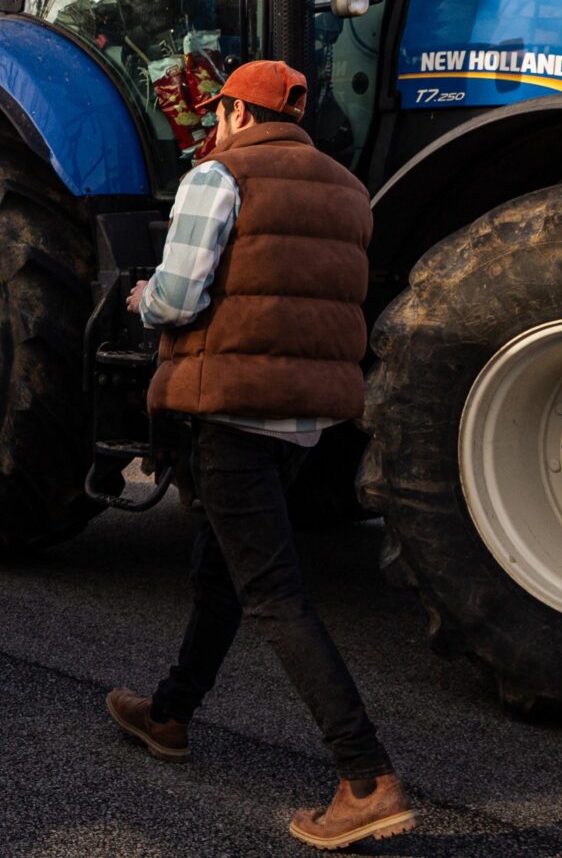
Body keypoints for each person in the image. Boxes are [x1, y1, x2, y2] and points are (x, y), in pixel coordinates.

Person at [104, 60, 412, 851]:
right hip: (304, 422)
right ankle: (170, 715)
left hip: (231, 410)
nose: (215, 122)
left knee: (272, 594)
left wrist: (142, 300)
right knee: (222, 570)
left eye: (219, 110)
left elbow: (180, 296)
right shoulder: (346, 189)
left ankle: (365, 777)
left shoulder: (220, 175)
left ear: (237, 112)